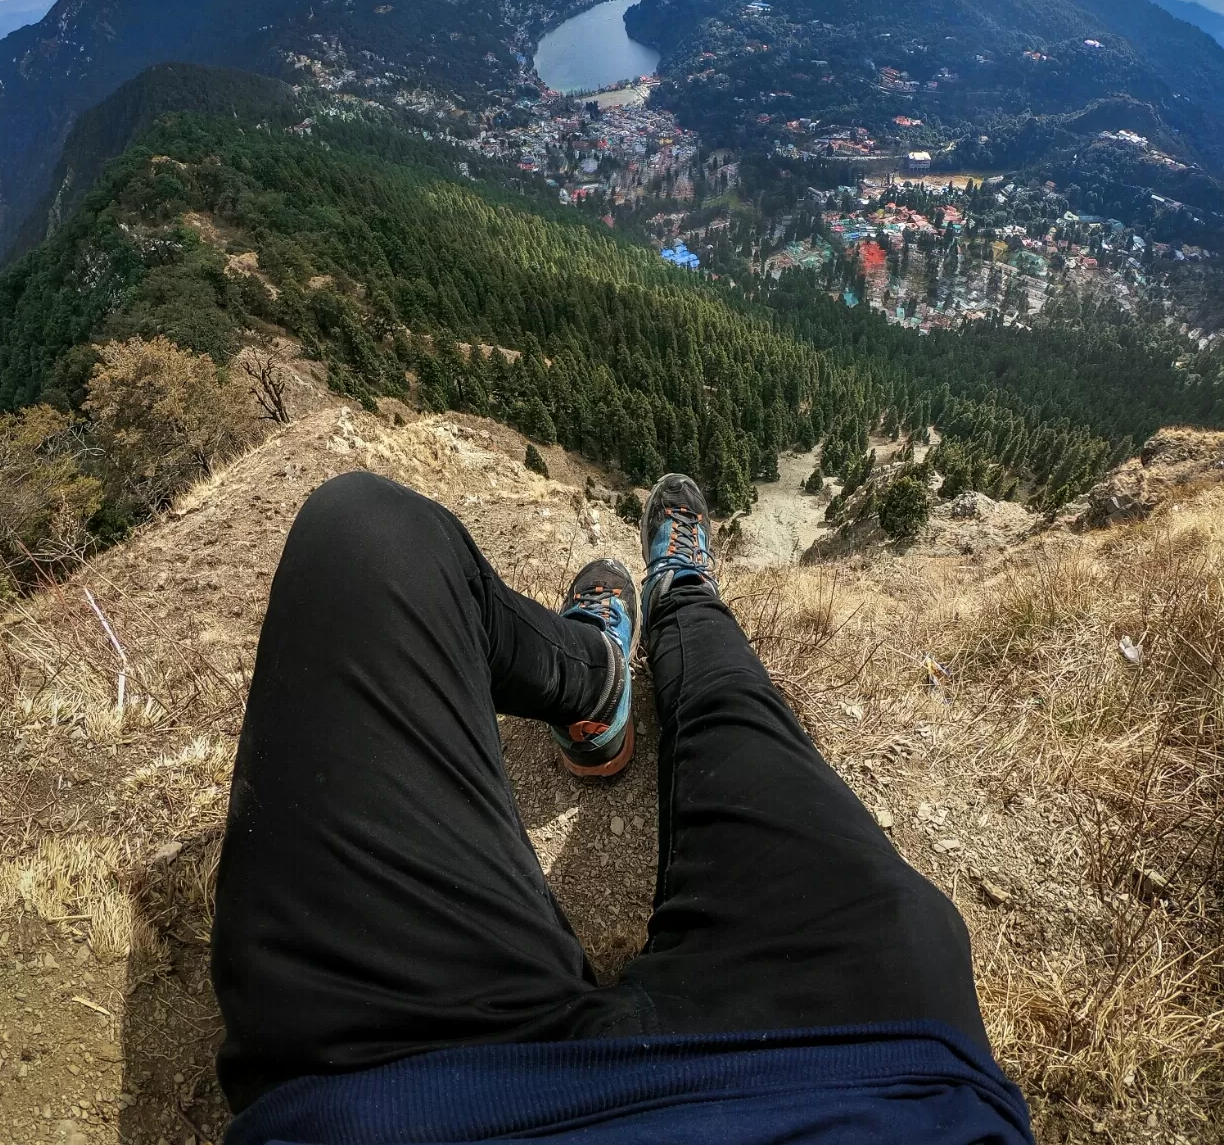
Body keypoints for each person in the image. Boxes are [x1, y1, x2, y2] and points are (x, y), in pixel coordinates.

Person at [211, 470, 1034, 1145]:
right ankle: (673, 600)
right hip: (854, 1085)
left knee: (363, 537)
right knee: (734, 708)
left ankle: (603, 666)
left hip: (398, 1099)